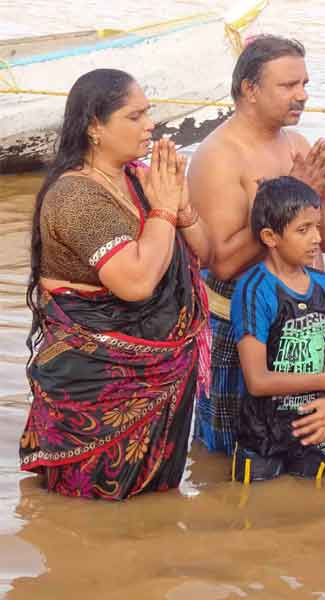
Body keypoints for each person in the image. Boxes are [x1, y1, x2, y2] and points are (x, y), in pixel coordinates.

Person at [19, 69, 212, 499]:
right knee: (90, 517)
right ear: (94, 126)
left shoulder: (139, 179)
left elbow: (206, 252)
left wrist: (179, 207)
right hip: (97, 389)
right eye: (134, 116)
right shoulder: (76, 197)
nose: (150, 126)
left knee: (155, 502)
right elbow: (137, 283)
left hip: (162, 382)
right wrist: (162, 212)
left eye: (149, 114)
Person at [188, 35, 325, 453]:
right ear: (249, 89)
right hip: (239, 327)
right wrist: (300, 187)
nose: (302, 96)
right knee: (230, 449)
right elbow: (220, 263)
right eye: (289, 85)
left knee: (301, 444)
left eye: (305, 84)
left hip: (306, 325)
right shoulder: (219, 155)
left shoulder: (298, 145)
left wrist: (322, 191)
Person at [230, 177, 325, 481]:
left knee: (312, 513)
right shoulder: (255, 290)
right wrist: (323, 379)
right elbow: (257, 380)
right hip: (263, 436)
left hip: (314, 428)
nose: (316, 239)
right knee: (252, 513)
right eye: (303, 230)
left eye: (317, 227)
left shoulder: (324, 286)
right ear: (271, 236)